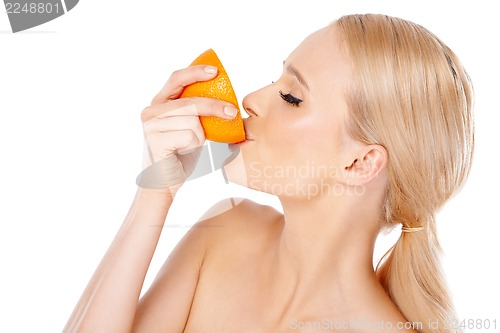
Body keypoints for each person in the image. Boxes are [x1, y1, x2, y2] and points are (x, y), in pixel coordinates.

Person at [64, 13, 474, 333]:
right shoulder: (226, 230)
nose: (251, 100)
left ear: (359, 163)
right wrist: (155, 191)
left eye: (291, 97)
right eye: (274, 80)